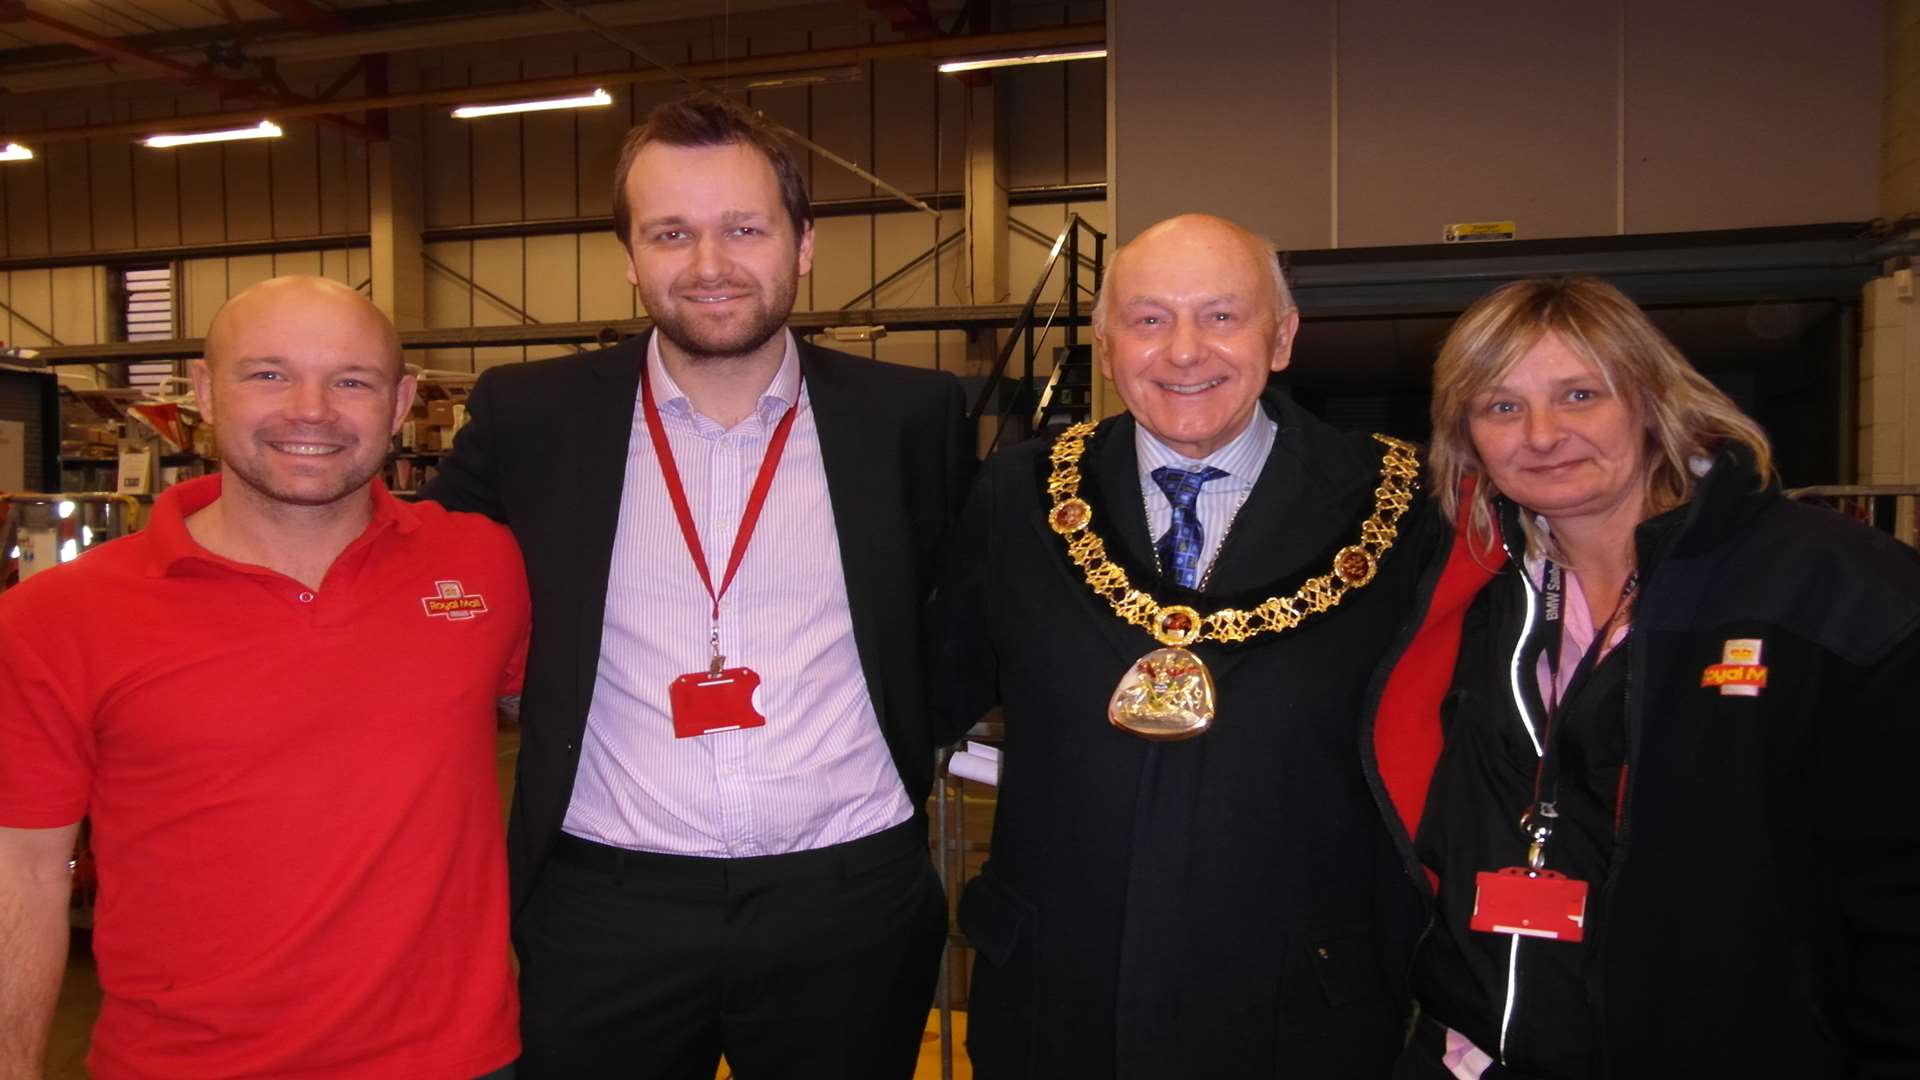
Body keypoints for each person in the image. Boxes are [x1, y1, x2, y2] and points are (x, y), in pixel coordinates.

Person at [421, 92, 973, 1080]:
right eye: (671, 232)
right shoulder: (530, 419)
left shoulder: (911, 417)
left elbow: (964, 607)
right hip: (602, 910)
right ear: (630, 256)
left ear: (804, 244)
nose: (709, 265)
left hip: (846, 902)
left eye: (745, 229)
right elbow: (408, 570)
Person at [930, 212, 1448, 1078]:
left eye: (1220, 315)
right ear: (1103, 345)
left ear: (1280, 338)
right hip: (1055, 1002)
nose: (1182, 351)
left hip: (1299, 1008)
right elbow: (931, 692)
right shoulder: (1016, 494)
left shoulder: (1403, 509)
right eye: (1147, 319)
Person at [1371, 277, 1920, 1078]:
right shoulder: (1472, 599)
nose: (1544, 434)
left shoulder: (1831, 590)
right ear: (1466, 439)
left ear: (1651, 397)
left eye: (1580, 394)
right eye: (1501, 407)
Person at [0, 275, 530, 1079]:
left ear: (401, 403)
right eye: (269, 374)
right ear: (207, 392)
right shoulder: (56, 618)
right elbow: (24, 871)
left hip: (458, 1061)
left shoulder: (482, 565)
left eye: (352, 380)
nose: (311, 409)